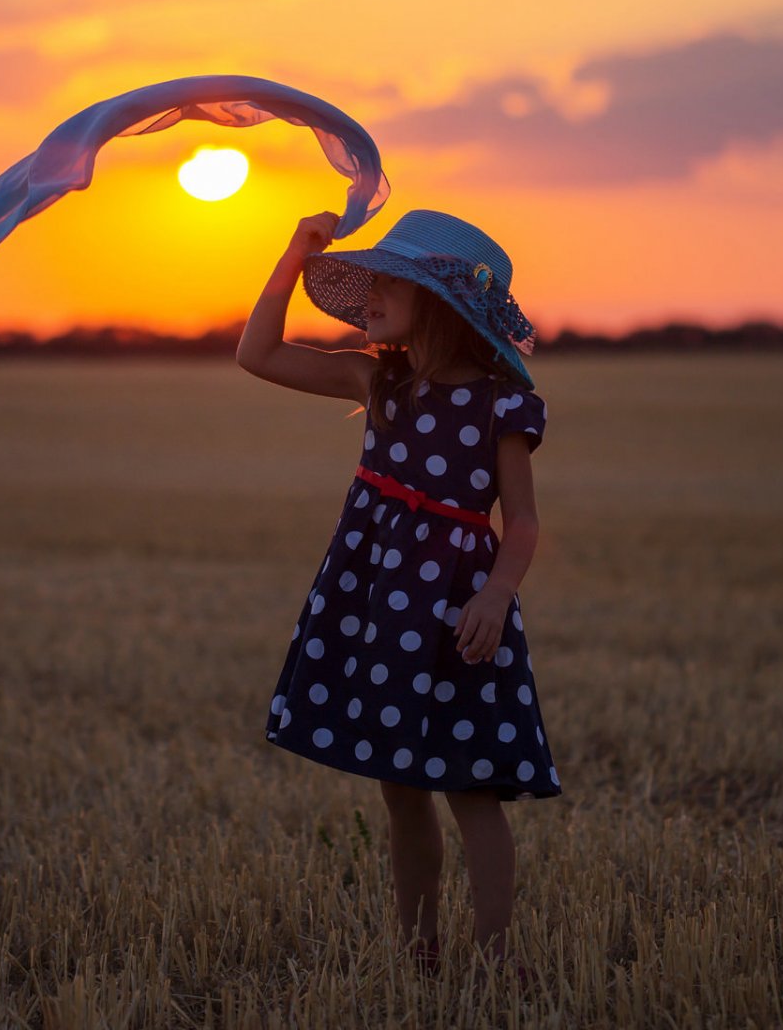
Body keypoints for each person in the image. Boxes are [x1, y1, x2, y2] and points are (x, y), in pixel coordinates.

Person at [236, 207, 559, 981]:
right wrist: (290, 257)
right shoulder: (374, 378)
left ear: (441, 302)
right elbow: (258, 353)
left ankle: (494, 955)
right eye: (372, 282)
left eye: (390, 284)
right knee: (400, 791)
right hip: (377, 606)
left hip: (457, 613)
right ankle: (417, 952)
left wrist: (495, 595)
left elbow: (522, 524)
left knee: (471, 787)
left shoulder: (499, 405)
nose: (371, 296)